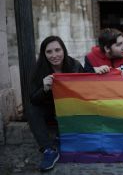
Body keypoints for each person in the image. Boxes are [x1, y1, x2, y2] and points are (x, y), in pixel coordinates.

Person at [27, 36, 84, 171]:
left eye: (58, 50)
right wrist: (44, 88)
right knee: (31, 109)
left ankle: (61, 135)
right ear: (44, 54)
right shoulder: (39, 70)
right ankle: (48, 150)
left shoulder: (75, 65)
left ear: (63, 50)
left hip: (70, 109)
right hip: (49, 110)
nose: (54, 55)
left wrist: (97, 72)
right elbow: (33, 99)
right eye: (49, 52)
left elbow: (87, 88)